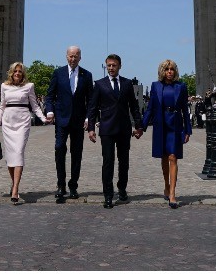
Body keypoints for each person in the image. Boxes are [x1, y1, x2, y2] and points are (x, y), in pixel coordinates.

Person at [87, 54, 143, 209]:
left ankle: (122, 188)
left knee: (124, 162)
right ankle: (108, 195)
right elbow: (92, 108)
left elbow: (134, 107)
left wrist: (139, 126)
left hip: (124, 129)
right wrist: (91, 128)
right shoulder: (99, 84)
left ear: (120, 66)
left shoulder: (127, 83)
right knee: (108, 162)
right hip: (107, 129)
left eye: (114, 65)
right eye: (109, 65)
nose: (111, 68)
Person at [0, 61, 49, 204]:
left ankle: (15, 188)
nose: (17, 73)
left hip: (22, 121)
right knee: (11, 156)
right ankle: (14, 184)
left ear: (23, 74)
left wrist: (43, 118)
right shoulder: (4, 86)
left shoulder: (29, 86)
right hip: (8, 122)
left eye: (20, 71)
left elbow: (35, 106)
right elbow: (2, 106)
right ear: (11, 73)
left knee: (18, 152)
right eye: (15, 71)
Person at [44, 45, 94, 203]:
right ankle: (61, 185)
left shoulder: (87, 75)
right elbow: (50, 96)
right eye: (71, 56)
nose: (73, 59)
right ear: (66, 56)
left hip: (79, 121)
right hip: (61, 119)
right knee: (59, 149)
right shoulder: (58, 73)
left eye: (76, 56)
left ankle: (73, 186)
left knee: (76, 153)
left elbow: (91, 100)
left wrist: (89, 118)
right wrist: (50, 111)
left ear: (80, 57)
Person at [140, 59, 191, 209]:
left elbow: (185, 110)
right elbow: (150, 109)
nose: (169, 71)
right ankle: (166, 186)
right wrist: (141, 127)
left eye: (172, 69)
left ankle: (173, 194)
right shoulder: (156, 86)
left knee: (173, 157)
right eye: (167, 69)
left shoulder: (181, 86)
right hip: (161, 124)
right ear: (162, 71)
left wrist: (188, 130)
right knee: (164, 158)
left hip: (175, 124)